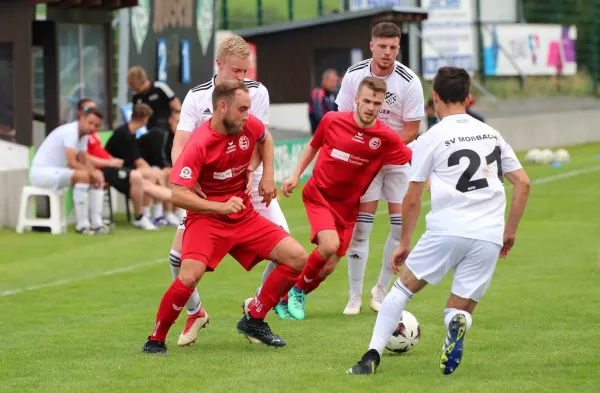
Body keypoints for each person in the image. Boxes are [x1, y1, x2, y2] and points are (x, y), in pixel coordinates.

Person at [346, 66, 531, 375]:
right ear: (469, 99)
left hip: (447, 228)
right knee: (459, 307)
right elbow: (523, 183)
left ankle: (371, 357)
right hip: (489, 233)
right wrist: (509, 233)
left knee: (401, 291)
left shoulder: (432, 137)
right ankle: (455, 323)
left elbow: (413, 197)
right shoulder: (492, 134)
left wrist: (404, 242)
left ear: (434, 99)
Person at [142, 80, 307, 354]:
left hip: (243, 217)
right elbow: (178, 195)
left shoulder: (249, 125)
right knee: (188, 277)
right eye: (242, 109)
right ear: (222, 106)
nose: (247, 115)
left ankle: (254, 317)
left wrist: (265, 174)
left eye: (248, 109)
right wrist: (219, 207)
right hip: (206, 220)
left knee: (298, 258)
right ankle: (156, 339)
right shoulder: (199, 143)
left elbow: (265, 139)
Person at [167, 35, 291, 347]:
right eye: (236, 71)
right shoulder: (197, 97)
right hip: (210, 189)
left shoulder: (257, 91)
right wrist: (186, 178)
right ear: (219, 65)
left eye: (245, 72)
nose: (242, 78)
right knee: (176, 258)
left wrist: (260, 173)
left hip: (250, 184)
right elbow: (179, 145)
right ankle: (195, 312)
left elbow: (258, 135)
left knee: (288, 253)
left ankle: (255, 312)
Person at [274, 77, 413, 321]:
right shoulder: (332, 120)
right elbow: (312, 146)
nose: (371, 107)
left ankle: (283, 297)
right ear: (356, 99)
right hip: (319, 196)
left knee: (327, 267)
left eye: (377, 103)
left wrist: (432, 177)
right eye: (367, 100)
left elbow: (413, 158)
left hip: (348, 209)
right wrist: (295, 175)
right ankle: (296, 291)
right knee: (328, 246)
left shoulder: (386, 137)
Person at [335, 22, 425, 315]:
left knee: (400, 228)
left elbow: (412, 129)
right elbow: (342, 118)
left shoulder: (409, 81)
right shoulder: (353, 75)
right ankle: (354, 295)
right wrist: (363, 149)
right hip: (364, 160)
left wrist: (382, 147)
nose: (387, 53)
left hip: (397, 160)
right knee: (362, 228)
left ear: (399, 48)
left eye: (393, 47)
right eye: (382, 46)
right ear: (371, 46)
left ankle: (381, 289)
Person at [29, 106, 109, 235]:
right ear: (81, 118)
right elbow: (72, 162)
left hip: (56, 172)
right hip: (42, 173)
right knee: (84, 176)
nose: (92, 128)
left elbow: (84, 159)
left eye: (96, 125)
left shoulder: (83, 136)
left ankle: (96, 224)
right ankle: (82, 226)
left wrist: (95, 173)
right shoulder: (70, 132)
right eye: (90, 123)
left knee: (96, 177)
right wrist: (91, 173)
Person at [104, 104, 180, 227]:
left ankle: (155, 214)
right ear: (145, 119)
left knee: (155, 174)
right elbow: (138, 161)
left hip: (125, 168)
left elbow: (138, 158)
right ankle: (143, 216)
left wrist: (155, 173)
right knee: (152, 175)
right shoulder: (124, 134)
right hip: (114, 170)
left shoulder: (131, 132)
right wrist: (155, 173)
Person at [127, 66, 181, 131]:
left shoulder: (159, 87)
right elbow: (135, 118)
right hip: (150, 130)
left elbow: (177, 108)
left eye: (136, 88)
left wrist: (174, 121)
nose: (135, 90)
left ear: (141, 82)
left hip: (167, 127)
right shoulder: (136, 96)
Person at [308, 69, 340, 134]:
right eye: (331, 81)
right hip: (319, 133)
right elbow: (318, 114)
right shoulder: (318, 92)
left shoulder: (334, 94)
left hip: (332, 131)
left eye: (335, 81)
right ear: (324, 81)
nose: (334, 84)